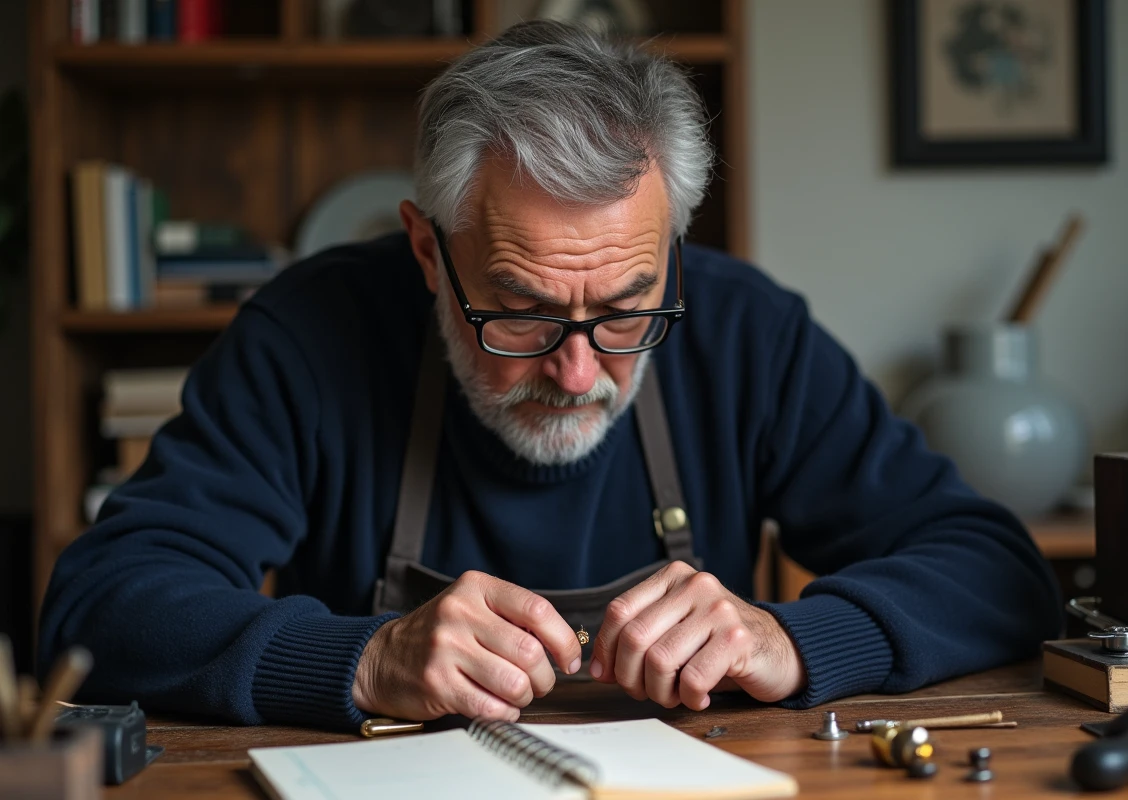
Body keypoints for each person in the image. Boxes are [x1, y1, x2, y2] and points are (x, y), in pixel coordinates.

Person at [39, 21, 1060, 730]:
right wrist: (363, 658)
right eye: (520, 314)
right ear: (430, 252)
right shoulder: (308, 337)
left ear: (672, 247)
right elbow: (100, 605)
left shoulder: (747, 330)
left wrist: (792, 638)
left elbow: (996, 567)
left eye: (626, 311)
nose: (578, 371)